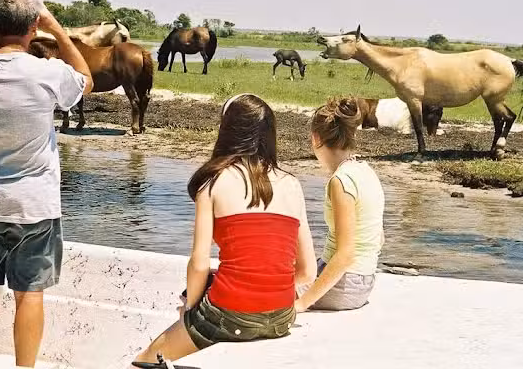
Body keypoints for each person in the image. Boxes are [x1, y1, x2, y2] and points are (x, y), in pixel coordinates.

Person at [0, 0, 93, 367]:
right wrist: (57, 28)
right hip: (35, 205)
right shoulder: (48, 72)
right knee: (30, 294)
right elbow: (85, 80)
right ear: (33, 27)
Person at [134, 94, 317, 364]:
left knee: (148, 360)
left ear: (227, 132)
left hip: (230, 314)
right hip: (282, 316)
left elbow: (198, 263)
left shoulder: (213, 181)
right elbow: (307, 271)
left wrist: (190, 308)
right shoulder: (292, 184)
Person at [295, 96, 385, 312]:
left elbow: (345, 255)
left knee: (262, 287)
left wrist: (302, 303)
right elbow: (379, 238)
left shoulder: (340, 181)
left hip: (346, 286)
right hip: (364, 281)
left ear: (316, 139)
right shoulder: (366, 171)